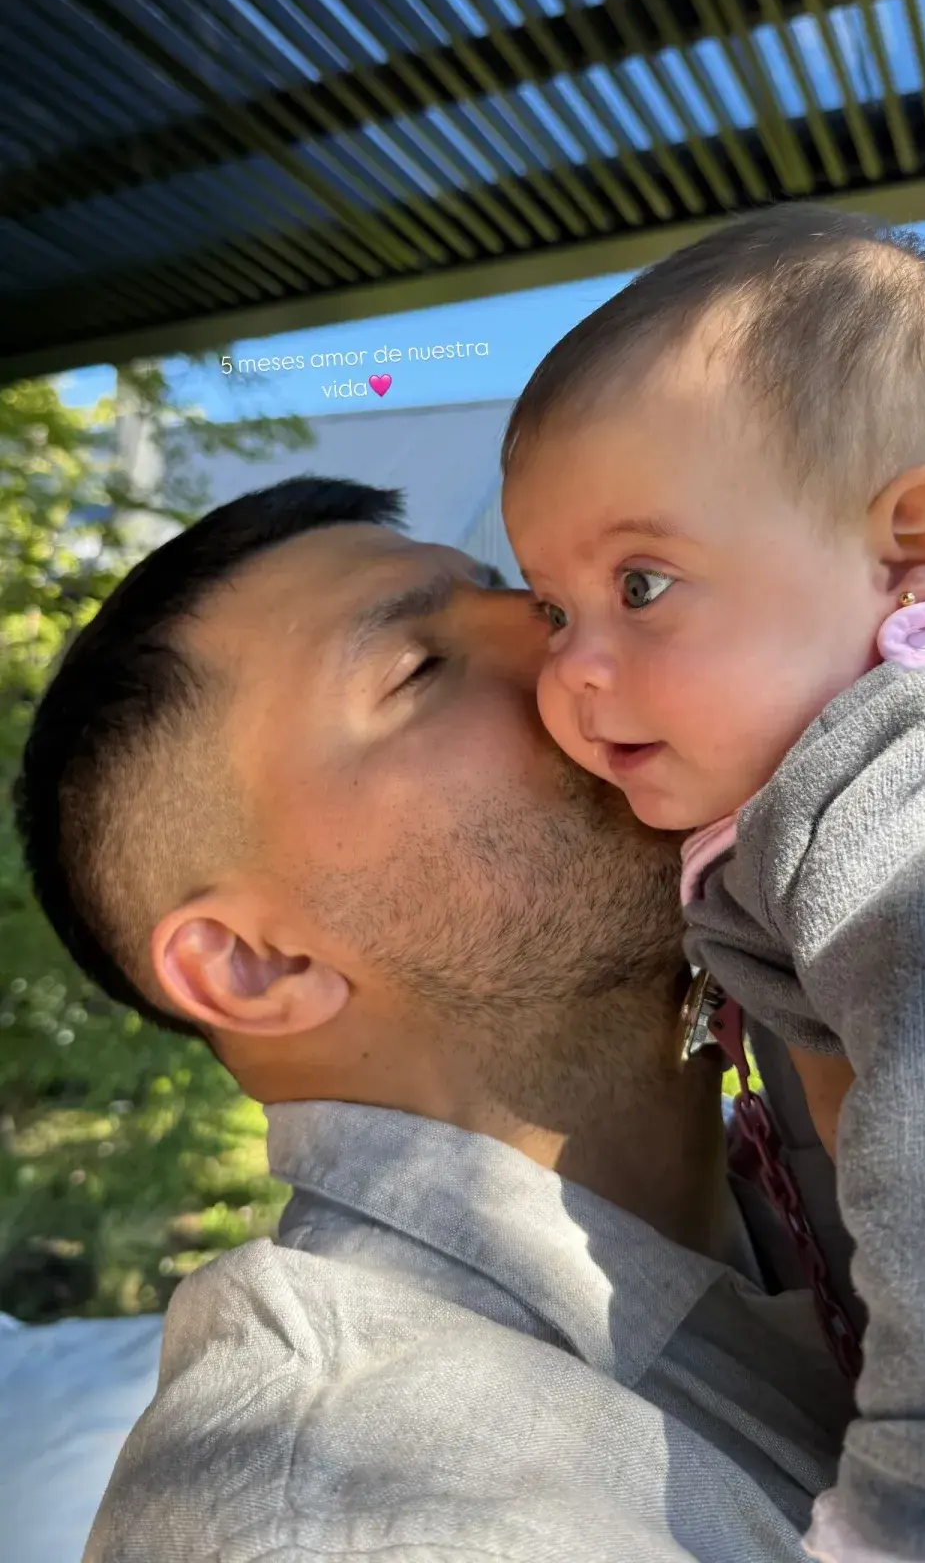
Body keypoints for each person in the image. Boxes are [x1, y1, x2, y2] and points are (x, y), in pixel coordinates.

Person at [16, 475, 855, 1563]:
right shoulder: (363, 1509)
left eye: (510, 588)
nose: (555, 624)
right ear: (256, 962)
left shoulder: (836, 1150)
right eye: (418, 667)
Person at [500, 205, 925, 1562]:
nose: (570, 670)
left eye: (640, 583)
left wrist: (920, 1517)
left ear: (915, 558)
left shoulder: (919, 793)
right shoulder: (828, 790)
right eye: (551, 610)